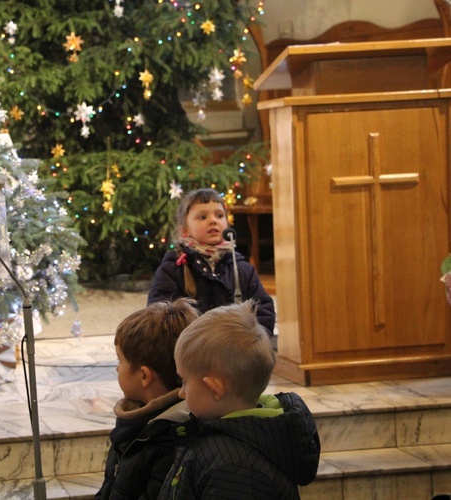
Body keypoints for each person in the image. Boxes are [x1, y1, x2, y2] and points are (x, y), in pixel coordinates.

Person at [158, 301, 320, 499]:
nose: (182, 393)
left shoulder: (233, 469)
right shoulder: (222, 439)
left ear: (214, 388)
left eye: (184, 381)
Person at [95, 298, 199, 500]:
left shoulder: (171, 440)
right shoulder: (135, 421)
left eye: (120, 360)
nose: (117, 368)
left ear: (144, 376)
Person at [147, 188, 276, 337]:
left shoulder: (240, 267)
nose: (213, 220)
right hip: (191, 353)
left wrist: (254, 342)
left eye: (219, 215)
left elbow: (264, 310)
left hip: (238, 353)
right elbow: (158, 316)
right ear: (185, 231)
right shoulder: (173, 269)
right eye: (202, 217)